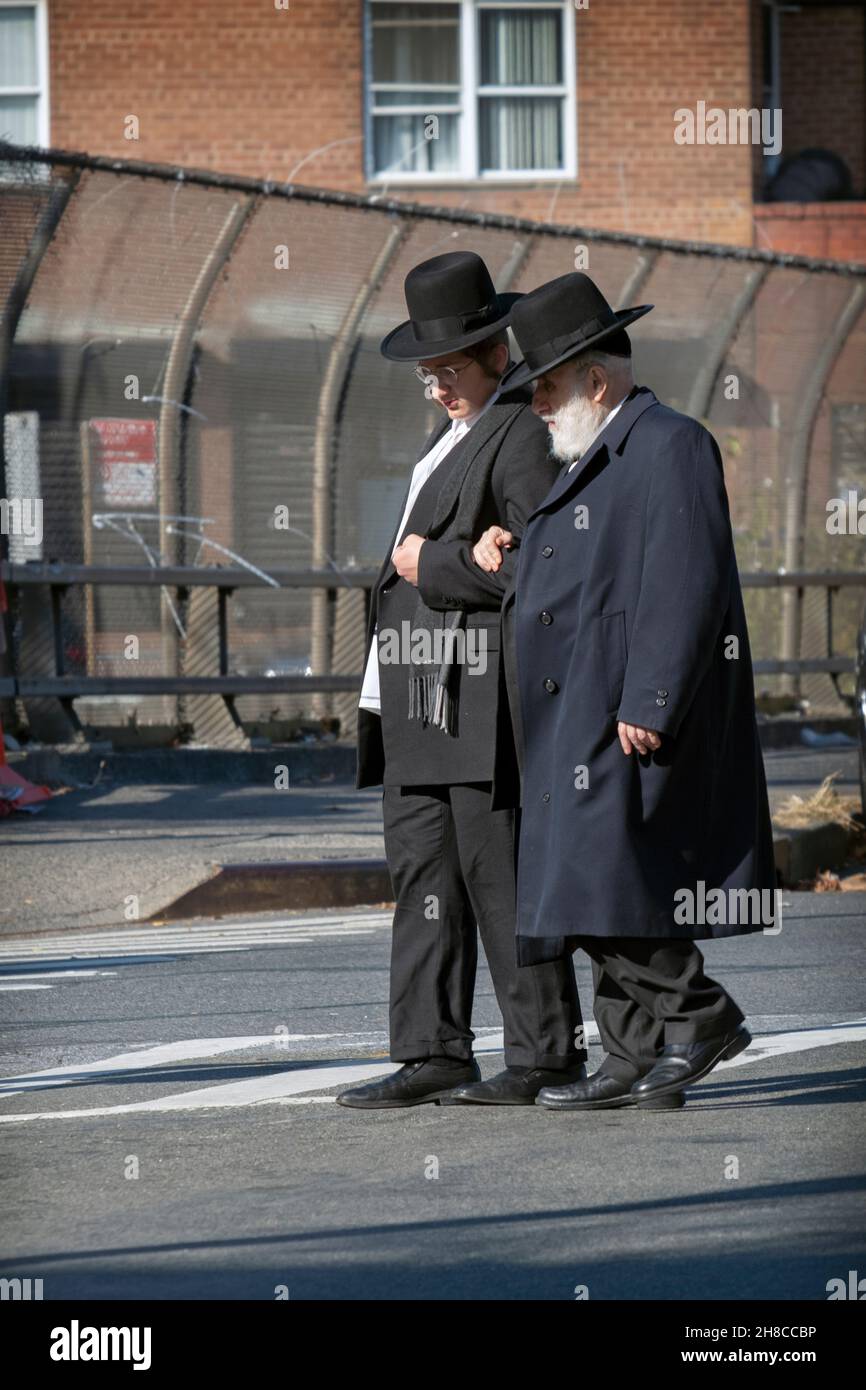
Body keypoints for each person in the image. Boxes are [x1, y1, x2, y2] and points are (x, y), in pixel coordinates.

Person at [472, 271, 776, 1110]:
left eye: (545, 386)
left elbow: (688, 579)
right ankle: (632, 1052)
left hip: (628, 709)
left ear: (595, 379)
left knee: (594, 875)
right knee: (601, 877)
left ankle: (700, 1015)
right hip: (576, 712)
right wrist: (513, 549)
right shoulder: (594, 453)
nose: (533, 403)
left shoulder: (669, 443)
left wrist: (652, 699)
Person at [337, 251, 587, 1110]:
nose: (439, 384)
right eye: (428, 372)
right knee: (423, 883)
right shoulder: (450, 431)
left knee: (499, 880)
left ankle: (547, 1055)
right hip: (414, 697)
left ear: (494, 352)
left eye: (451, 366)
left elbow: (544, 565)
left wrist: (430, 561)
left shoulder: (519, 429)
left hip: (476, 701)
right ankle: (433, 1051)